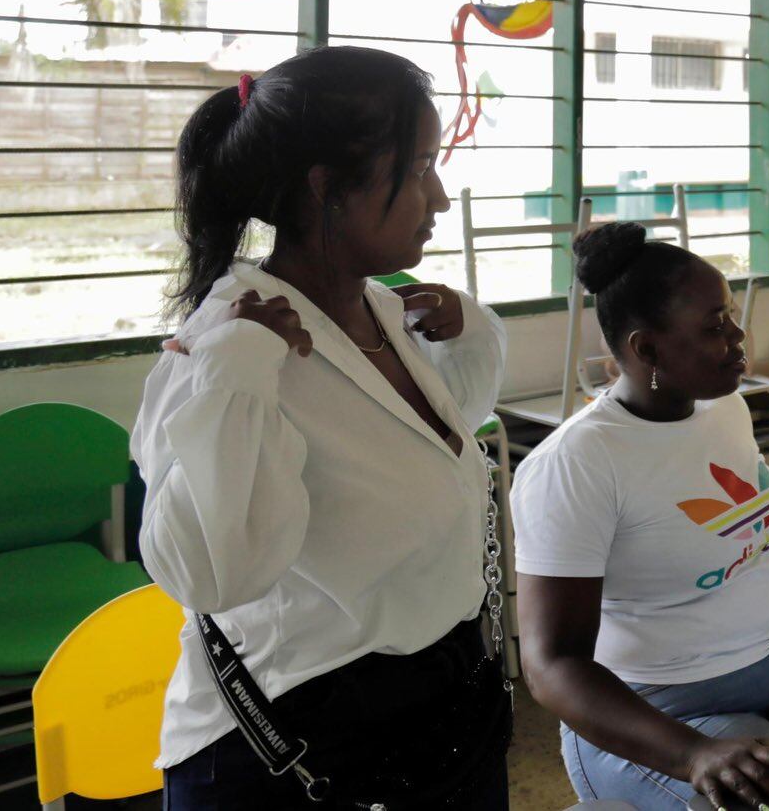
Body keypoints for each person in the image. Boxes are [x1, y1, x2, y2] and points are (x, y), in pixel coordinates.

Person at [134, 47, 513, 808]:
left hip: (437, 716)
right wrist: (236, 370)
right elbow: (212, 575)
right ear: (324, 188)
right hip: (298, 749)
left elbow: (433, 456)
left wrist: (470, 332)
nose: (438, 197)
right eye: (415, 170)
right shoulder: (227, 346)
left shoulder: (379, 309)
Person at [514, 222, 769, 811]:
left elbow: (752, 539)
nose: (740, 338)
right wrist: (693, 753)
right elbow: (551, 665)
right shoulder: (578, 464)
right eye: (715, 327)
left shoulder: (726, 409)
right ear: (646, 348)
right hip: (659, 717)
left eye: (732, 316)